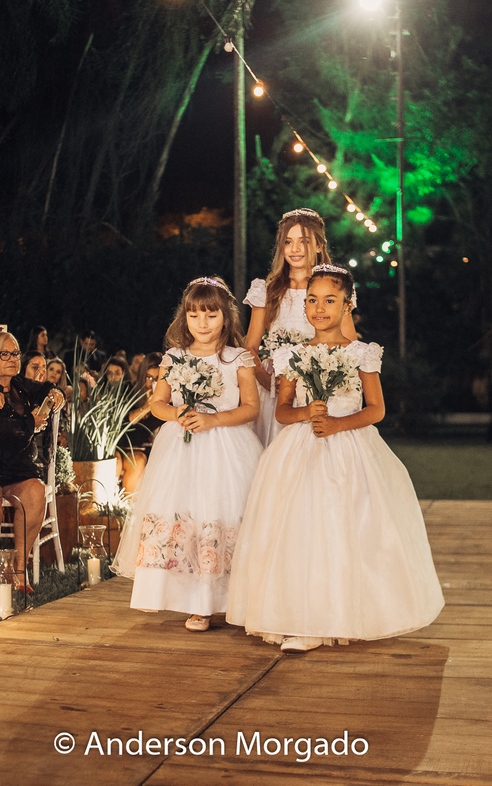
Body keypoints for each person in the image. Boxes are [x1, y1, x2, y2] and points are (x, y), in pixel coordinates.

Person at [226, 265, 443, 652]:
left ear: (347, 305)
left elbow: (376, 409)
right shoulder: (293, 355)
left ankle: (339, 615)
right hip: (300, 450)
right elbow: (282, 411)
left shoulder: (361, 354)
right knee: (300, 529)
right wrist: (307, 413)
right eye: (312, 300)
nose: (319, 308)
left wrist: (338, 424)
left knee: (342, 529)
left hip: (349, 449)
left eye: (330, 300)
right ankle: (297, 615)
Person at [111, 276, 261, 633]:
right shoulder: (175, 358)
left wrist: (214, 419)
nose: (202, 323)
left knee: (220, 513)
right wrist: (178, 412)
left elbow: (251, 407)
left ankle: (234, 600)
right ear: (185, 317)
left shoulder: (237, 358)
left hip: (227, 449)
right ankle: (197, 604)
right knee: (185, 514)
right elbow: (157, 404)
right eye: (194, 315)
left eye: (211, 315)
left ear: (225, 317)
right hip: (181, 450)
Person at [243, 207, 355, 447]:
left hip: (316, 385)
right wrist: (265, 379)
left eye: (303, 242)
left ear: (319, 245)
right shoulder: (266, 290)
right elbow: (250, 347)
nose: (294, 249)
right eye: (288, 242)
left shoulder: (333, 288)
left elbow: (349, 344)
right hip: (275, 387)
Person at [0, 331, 65, 590]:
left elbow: (43, 387)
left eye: (16, 354)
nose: (13, 359)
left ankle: (19, 570)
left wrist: (55, 392)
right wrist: (31, 421)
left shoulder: (18, 384)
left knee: (35, 492)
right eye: (5, 354)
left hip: (17, 469)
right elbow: (1, 431)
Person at [120, 352, 164, 497]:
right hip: (127, 448)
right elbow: (124, 422)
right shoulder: (129, 391)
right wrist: (146, 407)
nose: (152, 383)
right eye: (149, 377)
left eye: (157, 379)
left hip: (151, 450)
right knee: (137, 461)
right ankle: (128, 506)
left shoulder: (166, 401)